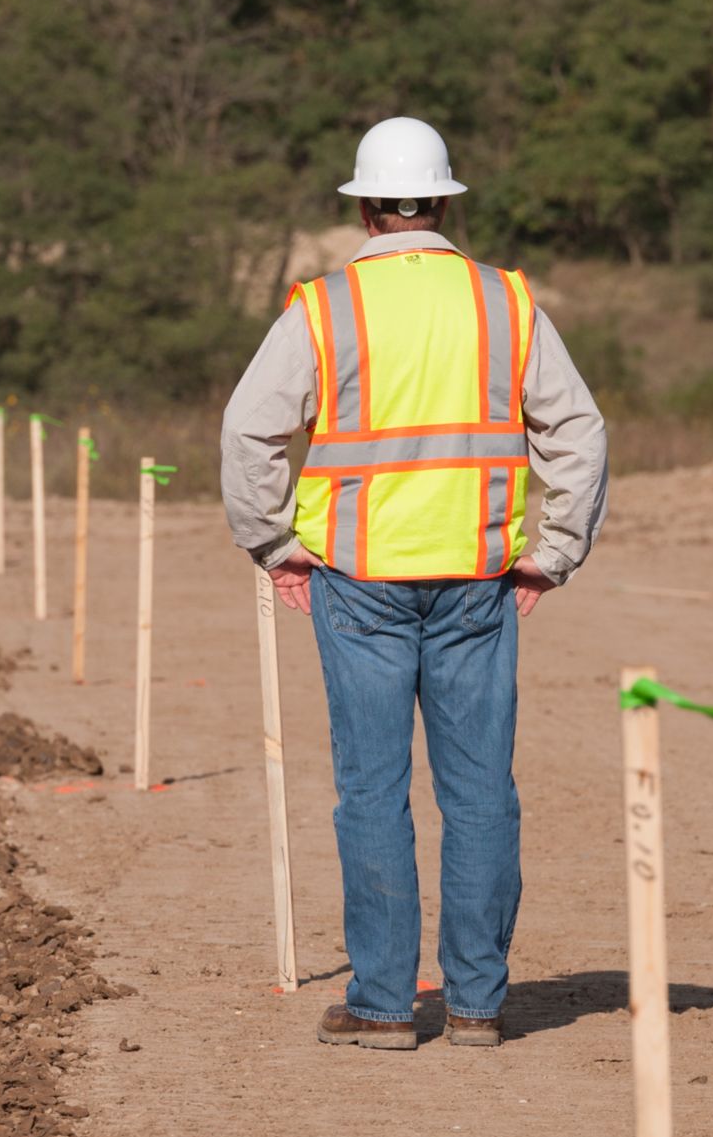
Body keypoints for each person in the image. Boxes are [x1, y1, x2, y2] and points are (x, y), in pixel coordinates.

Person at [220, 115, 609, 1051]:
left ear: (363, 210)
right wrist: (551, 552)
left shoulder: (324, 308)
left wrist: (272, 543)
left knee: (373, 791)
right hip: (479, 578)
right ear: (442, 202)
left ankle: (385, 1005)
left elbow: (250, 434)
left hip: (357, 583)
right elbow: (578, 435)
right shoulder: (508, 303)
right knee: (480, 795)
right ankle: (476, 1007)